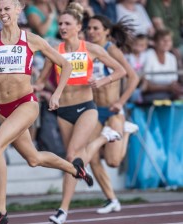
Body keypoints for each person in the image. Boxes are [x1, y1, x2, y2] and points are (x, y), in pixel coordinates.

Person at [0, 0, 95, 223]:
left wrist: (56, 94)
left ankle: (1, 212)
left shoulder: (31, 40)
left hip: (26, 104)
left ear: (18, 9)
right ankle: (75, 170)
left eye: (7, 9)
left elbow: (66, 64)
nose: (3, 13)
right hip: (3, 109)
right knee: (33, 159)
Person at [34, 3, 126, 224]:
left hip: (86, 107)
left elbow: (121, 70)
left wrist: (102, 81)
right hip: (64, 111)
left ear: (78, 27)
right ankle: (105, 137)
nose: (63, 27)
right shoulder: (55, 51)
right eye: (61, 23)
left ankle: (62, 211)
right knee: (73, 159)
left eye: (67, 23)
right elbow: (39, 83)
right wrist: (28, 90)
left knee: (72, 155)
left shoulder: (91, 49)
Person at [86, 15, 140, 214]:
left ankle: (125, 131)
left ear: (106, 31)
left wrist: (120, 102)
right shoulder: (87, 50)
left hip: (112, 110)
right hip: (93, 110)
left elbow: (133, 77)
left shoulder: (111, 50)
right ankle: (111, 199)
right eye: (89, 28)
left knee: (113, 161)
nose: (91, 31)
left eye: (96, 28)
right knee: (91, 157)